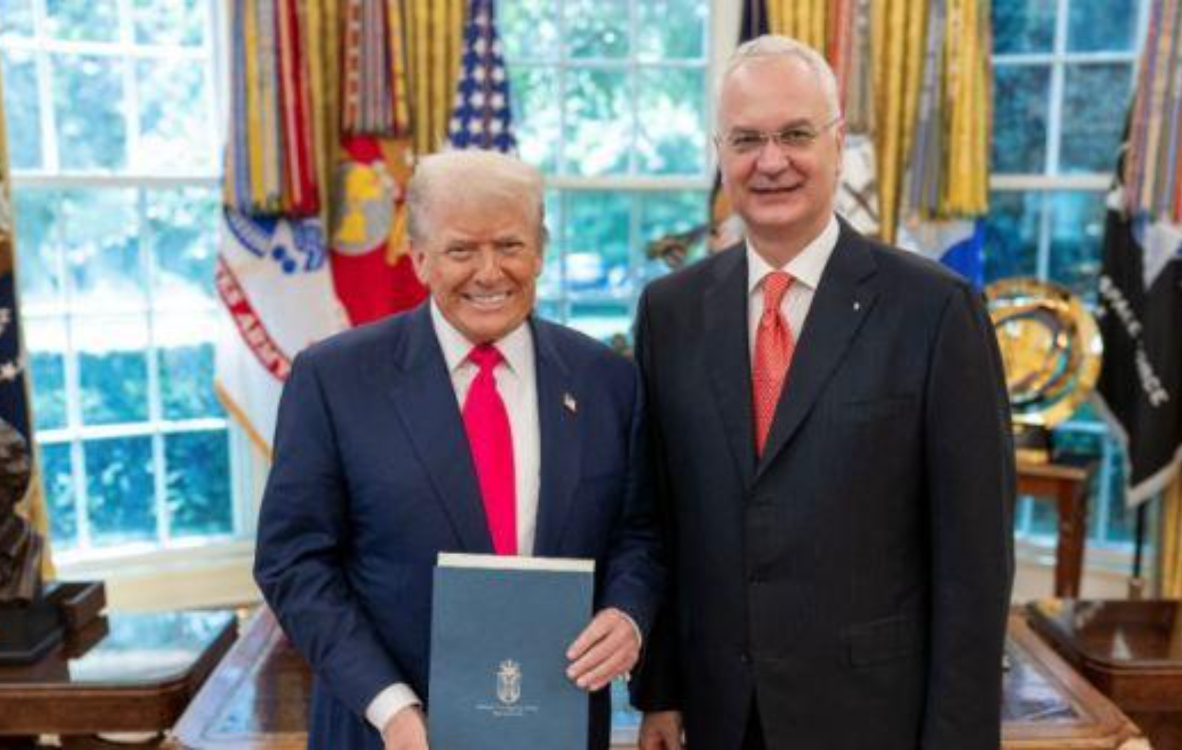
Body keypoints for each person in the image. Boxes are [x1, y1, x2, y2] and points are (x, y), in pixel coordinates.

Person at [632, 35, 1014, 750]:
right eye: (747, 139)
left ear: (837, 144)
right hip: (717, 717)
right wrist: (661, 691)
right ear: (720, 153)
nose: (771, 161)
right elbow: (663, 519)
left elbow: (974, 561)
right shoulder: (670, 311)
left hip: (873, 719)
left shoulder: (936, 311)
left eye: (796, 134)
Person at [255, 149, 663, 750]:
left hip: (558, 725)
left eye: (510, 245)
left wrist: (628, 615)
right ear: (420, 258)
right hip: (388, 732)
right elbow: (293, 562)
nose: (490, 272)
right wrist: (389, 706)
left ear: (540, 252)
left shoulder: (608, 381)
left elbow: (640, 535)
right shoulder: (334, 380)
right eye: (462, 250)